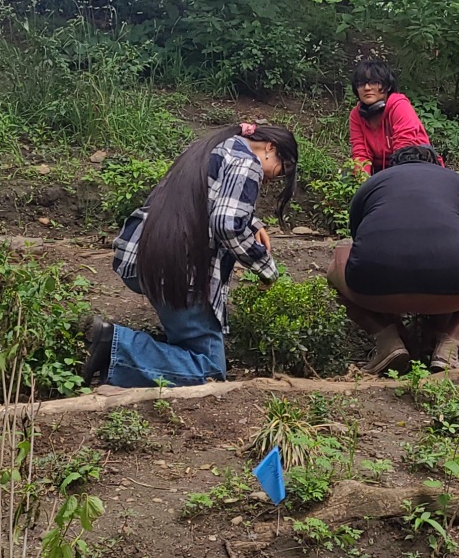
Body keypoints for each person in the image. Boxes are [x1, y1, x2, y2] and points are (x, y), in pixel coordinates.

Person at [81, 123, 299, 389]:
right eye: (281, 170)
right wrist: (266, 268)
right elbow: (227, 225)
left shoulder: (211, 148)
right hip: (177, 268)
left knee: (196, 354)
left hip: (142, 255)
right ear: (270, 147)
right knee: (209, 371)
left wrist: (253, 223)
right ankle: (116, 345)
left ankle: (122, 357)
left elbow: (207, 198)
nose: (271, 180)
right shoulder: (248, 162)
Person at [328, 146, 459, 374]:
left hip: (371, 292)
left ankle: (388, 339)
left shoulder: (374, 181)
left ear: (394, 166)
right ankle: (449, 347)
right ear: (435, 164)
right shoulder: (456, 181)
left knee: (339, 260)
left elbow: (357, 236)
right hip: (456, 293)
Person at [348, 58, 435, 176]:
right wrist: (361, 182)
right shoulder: (356, 115)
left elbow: (404, 148)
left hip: (413, 164)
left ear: (387, 86)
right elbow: (360, 154)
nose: (367, 88)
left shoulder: (399, 105)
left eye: (374, 82)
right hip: (381, 169)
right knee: (347, 176)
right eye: (361, 84)